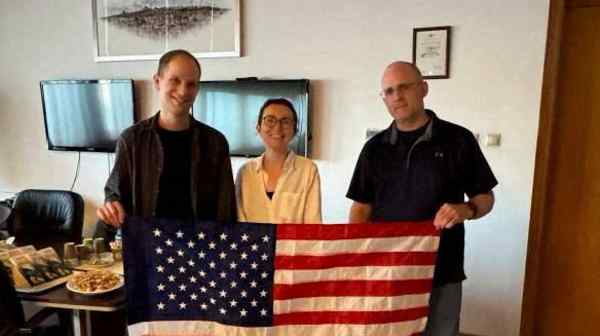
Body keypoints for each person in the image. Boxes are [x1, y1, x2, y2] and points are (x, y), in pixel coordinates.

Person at [346, 61, 497, 336]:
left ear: (423, 88)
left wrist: (467, 209)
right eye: (388, 91)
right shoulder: (374, 149)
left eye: (404, 87)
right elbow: (361, 207)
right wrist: (356, 258)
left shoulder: (458, 139)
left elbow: (485, 196)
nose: (397, 97)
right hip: (386, 270)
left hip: (442, 270)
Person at [97, 49, 237, 227]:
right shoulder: (132, 140)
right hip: (146, 247)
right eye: (175, 80)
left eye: (191, 84)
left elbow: (225, 209)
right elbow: (115, 194)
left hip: (200, 249)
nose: (183, 91)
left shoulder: (215, 143)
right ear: (157, 81)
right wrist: (111, 208)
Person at [235, 98, 322, 223]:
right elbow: (239, 223)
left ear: (295, 130)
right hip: (253, 243)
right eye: (270, 120)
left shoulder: (308, 170)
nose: (277, 127)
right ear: (258, 127)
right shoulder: (245, 172)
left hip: (294, 243)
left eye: (285, 122)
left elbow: (313, 225)